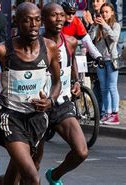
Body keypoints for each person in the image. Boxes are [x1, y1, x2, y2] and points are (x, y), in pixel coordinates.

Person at [0, 3, 61, 185]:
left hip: (37, 119)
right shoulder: (2, 50)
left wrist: (50, 100)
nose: (33, 25)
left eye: (37, 20)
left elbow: (57, 82)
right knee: (32, 177)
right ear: (17, 23)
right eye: (27, 21)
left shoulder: (49, 48)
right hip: (11, 118)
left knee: (15, 178)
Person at [32, 3, 88, 185]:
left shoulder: (70, 41)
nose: (59, 20)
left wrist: (76, 81)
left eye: (61, 16)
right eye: (53, 16)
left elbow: (70, 63)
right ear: (43, 20)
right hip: (38, 108)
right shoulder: (35, 44)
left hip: (61, 104)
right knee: (34, 163)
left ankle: (54, 176)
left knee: (81, 152)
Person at [89, 3, 121, 125]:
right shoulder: (99, 27)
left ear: (112, 12)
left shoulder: (115, 25)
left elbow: (114, 38)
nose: (104, 14)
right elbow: (90, 38)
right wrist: (93, 26)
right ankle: (107, 114)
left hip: (112, 60)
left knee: (112, 87)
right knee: (103, 88)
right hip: (101, 60)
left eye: (107, 12)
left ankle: (115, 114)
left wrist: (105, 25)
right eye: (102, 12)